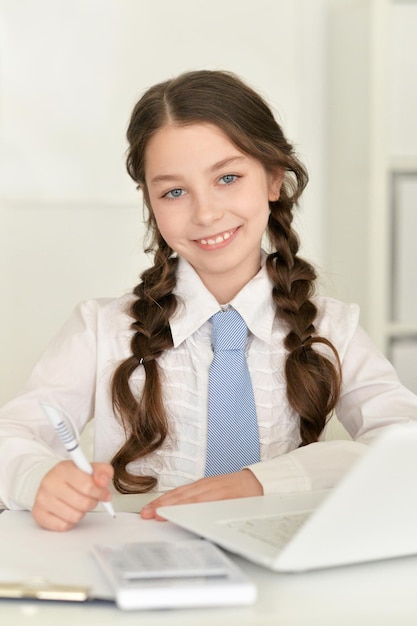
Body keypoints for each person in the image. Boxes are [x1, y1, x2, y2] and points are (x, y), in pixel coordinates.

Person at [1, 70, 417, 532]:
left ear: (274, 179)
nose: (205, 213)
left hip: (280, 576)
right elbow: (13, 436)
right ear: (151, 203)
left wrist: (262, 482)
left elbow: (406, 444)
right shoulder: (100, 329)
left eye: (228, 178)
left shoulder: (331, 328)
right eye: (174, 191)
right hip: (138, 567)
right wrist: (37, 478)